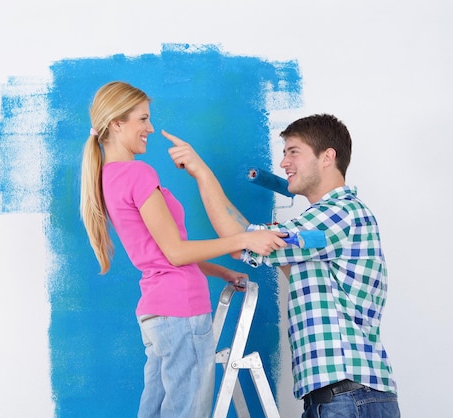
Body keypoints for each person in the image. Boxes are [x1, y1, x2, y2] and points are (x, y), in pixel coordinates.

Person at [164, 114, 400, 418]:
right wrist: (261, 238)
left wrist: (202, 174)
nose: (283, 163)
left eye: (294, 151)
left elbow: (243, 242)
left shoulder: (340, 213)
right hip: (337, 398)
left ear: (328, 157)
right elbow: (252, 244)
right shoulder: (320, 230)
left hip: (348, 396)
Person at [79, 81, 286, 418]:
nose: (151, 128)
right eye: (143, 119)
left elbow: (162, 251)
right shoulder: (137, 174)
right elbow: (174, 253)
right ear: (117, 124)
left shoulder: (107, 178)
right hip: (181, 311)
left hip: (157, 315)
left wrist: (220, 271)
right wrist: (245, 240)